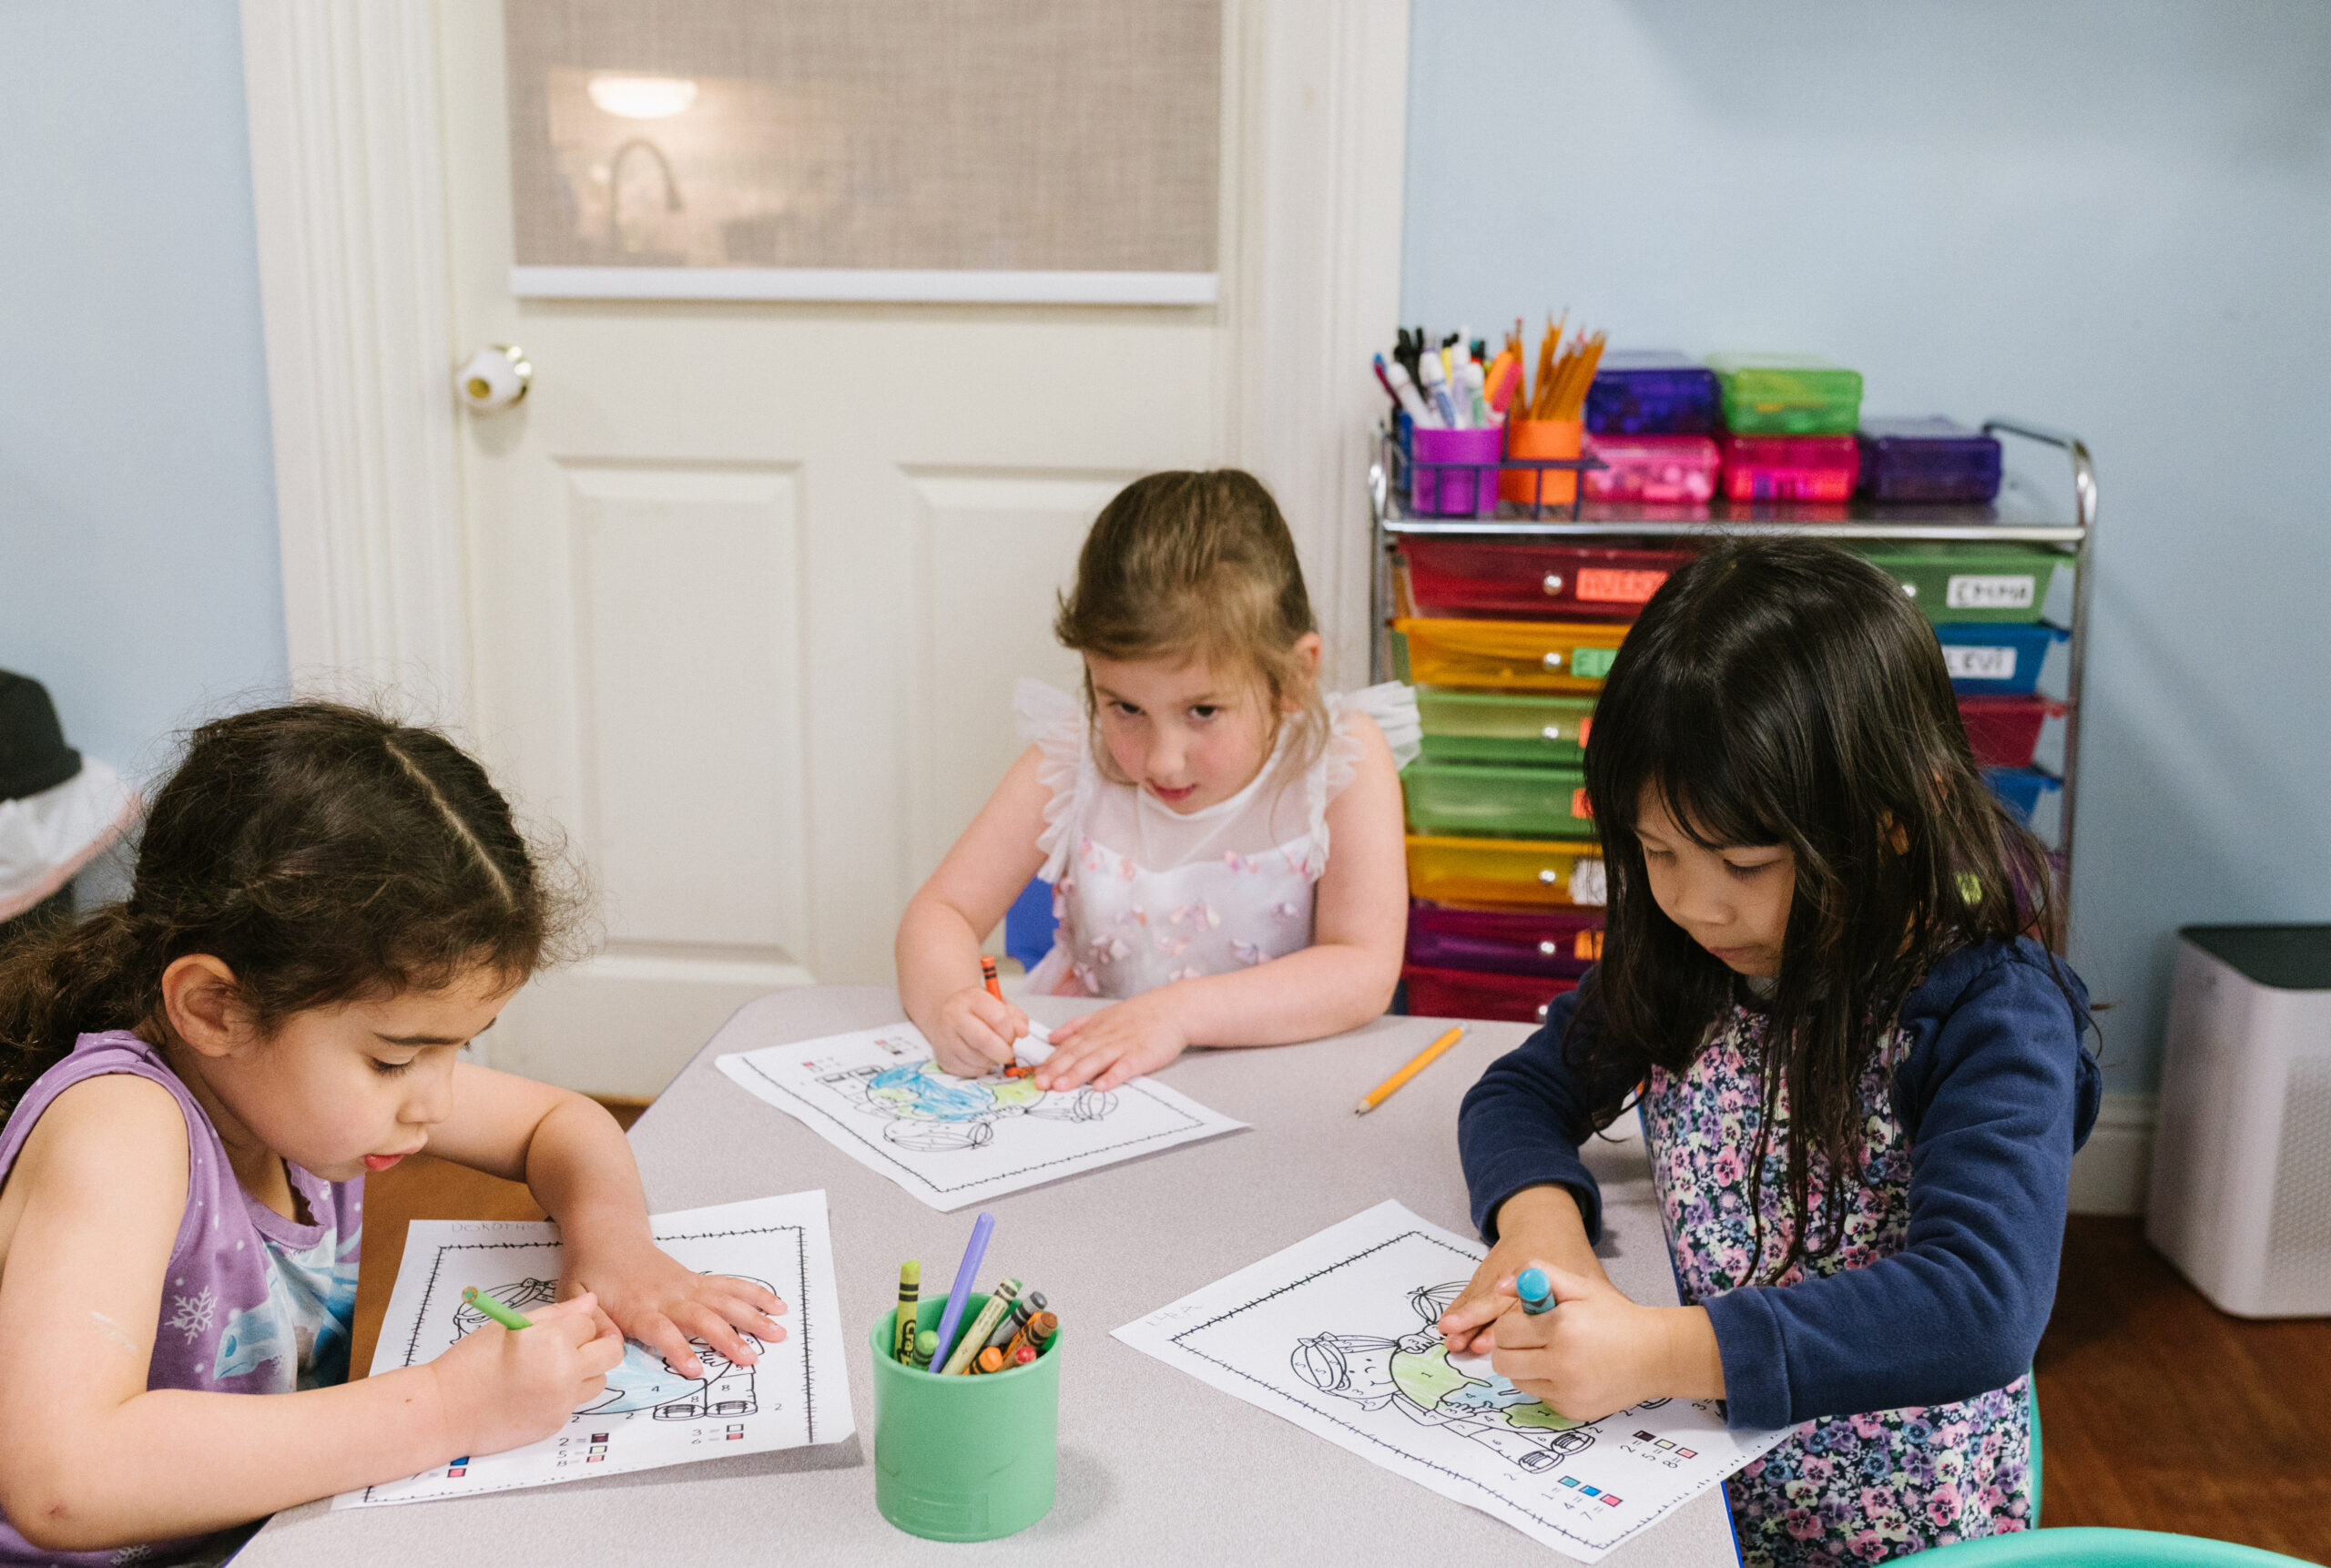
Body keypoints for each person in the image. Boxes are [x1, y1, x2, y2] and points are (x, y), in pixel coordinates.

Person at [1437, 538, 2098, 1564]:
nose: (1695, 902)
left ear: (1889, 820)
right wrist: (1540, 1228)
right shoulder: (1693, 956)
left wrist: (1659, 1350)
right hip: (1700, 1492)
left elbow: (1978, 1305)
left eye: (1744, 863)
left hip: (1893, 1537)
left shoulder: (1987, 1011)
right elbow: (1520, 1092)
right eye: (1658, 853)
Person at [0, 704, 786, 1563]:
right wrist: (448, 1408)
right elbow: (61, 1482)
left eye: (458, 1050)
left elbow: (562, 1122)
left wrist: (615, 1243)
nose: (436, 1102)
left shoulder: (293, 1096)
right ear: (214, 1007)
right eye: (395, 1059)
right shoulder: (121, 1128)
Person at [897, 469, 1417, 1091]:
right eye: (1125, 708)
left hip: (1276, 1093)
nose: (1162, 761)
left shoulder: (1341, 762)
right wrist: (953, 1004)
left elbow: (1362, 969)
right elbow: (939, 914)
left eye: (1203, 712)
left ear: (1293, 678)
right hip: (1086, 1088)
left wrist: (1175, 1014)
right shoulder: (1069, 760)